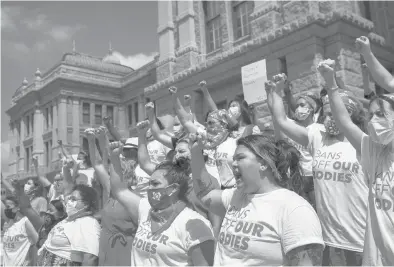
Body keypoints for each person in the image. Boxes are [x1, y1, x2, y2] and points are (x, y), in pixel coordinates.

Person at [268, 72, 368, 265]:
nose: (330, 119)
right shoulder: (317, 135)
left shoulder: (363, 142)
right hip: (329, 239)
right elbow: (282, 120)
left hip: (361, 237)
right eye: (326, 114)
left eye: (335, 114)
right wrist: (278, 91)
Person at [190, 133, 324, 265]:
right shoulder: (236, 196)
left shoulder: (294, 209)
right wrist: (196, 153)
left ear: (264, 163)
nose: (233, 163)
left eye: (240, 158)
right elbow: (205, 194)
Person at [318, 56, 394, 266]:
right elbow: (344, 121)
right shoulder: (375, 152)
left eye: (381, 114)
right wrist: (331, 83)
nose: (373, 121)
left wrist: (369, 57)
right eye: (370, 116)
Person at [109, 142, 215, 266]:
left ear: (173, 188)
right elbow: (120, 190)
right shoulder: (145, 209)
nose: (149, 188)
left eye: (155, 184)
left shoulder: (195, 224)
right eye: (149, 184)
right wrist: (114, 157)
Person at [86, 127, 138, 266]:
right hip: (105, 247)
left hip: (125, 249)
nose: (111, 176)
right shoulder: (110, 190)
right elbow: (97, 164)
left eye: (117, 174)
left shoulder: (135, 199)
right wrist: (91, 141)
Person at [37, 185, 101, 266]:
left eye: (73, 199)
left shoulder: (88, 223)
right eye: (69, 198)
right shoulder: (69, 219)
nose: (69, 202)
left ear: (86, 204)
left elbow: (90, 258)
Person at [2, 195, 38, 266]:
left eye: (8, 207)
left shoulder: (25, 222)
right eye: (5, 207)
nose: (6, 209)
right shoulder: (8, 223)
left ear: (17, 207)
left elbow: (35, 242)